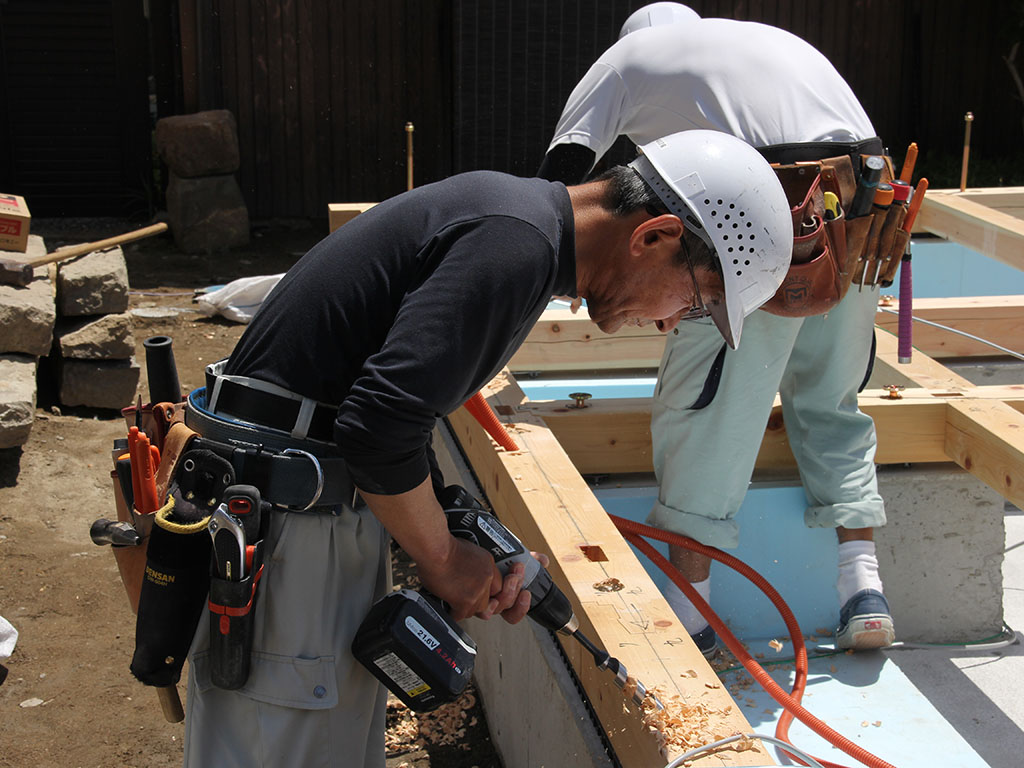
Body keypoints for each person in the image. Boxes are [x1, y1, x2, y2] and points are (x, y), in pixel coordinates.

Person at [179, 129, 791, 767]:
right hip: (285, 523)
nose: (670, 323)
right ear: (654, 237)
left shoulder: (519, 227)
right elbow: (379, 424)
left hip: (296, 504)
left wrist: (451, 523)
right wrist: (443, 557)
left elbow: (387, 409)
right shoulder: (515, 247)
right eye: (695, 302)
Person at [539, 2, 897, 656]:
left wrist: (561, 272)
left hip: (776, 200)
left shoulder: (624, 63)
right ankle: (861, 587)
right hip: (864, 205)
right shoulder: (755, 45)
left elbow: (558, 179)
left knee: (706, 404)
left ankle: (691, 611)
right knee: (832, 397)